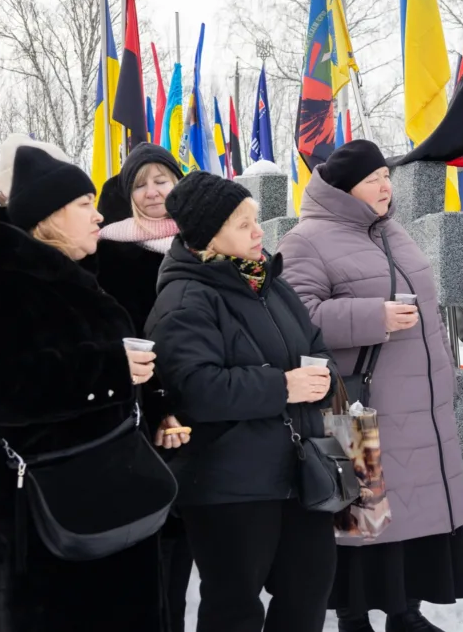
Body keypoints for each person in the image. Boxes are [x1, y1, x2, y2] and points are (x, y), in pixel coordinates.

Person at [0, 146, 165, 631]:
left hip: (99, 499)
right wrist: (109, 370)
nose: (99, 215)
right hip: (36, 516)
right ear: (49, 216)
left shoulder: (74, 273)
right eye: (85, 204)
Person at [278, 140, 463, 632]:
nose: (386, 187)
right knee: (362, 517)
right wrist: (373, 316)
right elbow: (296, 318)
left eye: (386, 176)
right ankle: (355, 615)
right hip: (356, 404)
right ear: (345, 190)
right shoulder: (307, 239)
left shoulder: (391, 231)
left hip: (417, 401)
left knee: (409, 515)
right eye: (373, 180)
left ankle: (405, 610)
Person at [145, 172, 338, 632]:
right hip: (228, 483)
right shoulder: (185, 297)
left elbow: (314, 344)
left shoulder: (270, 282)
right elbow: (195, 388)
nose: (259, 232)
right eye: (243, 225)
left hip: (297, 473)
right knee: (234, 610)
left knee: (309, 592)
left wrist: (323, 378)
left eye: (256, 220)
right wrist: (283, 388)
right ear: (210, 235)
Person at [94, 142, 191, 632]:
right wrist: (159, 405)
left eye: (162, 179)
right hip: (150, 417)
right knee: (159, 543)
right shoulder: (107, 251)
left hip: (208, 408)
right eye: (140, 183)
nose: (153, 191)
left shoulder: (203, 242)